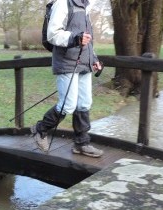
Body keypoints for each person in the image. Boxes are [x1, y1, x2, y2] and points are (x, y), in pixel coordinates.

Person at [31, 0, 104, 157]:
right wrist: (75, 38)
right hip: (67, 62)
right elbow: (53, 34)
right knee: (68, 105)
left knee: (84, 104)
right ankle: (40, 130)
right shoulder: (63, 3)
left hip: (84, 63)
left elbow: (88, 40)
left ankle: (81, 144)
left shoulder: (86, 7)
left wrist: (94, 60)